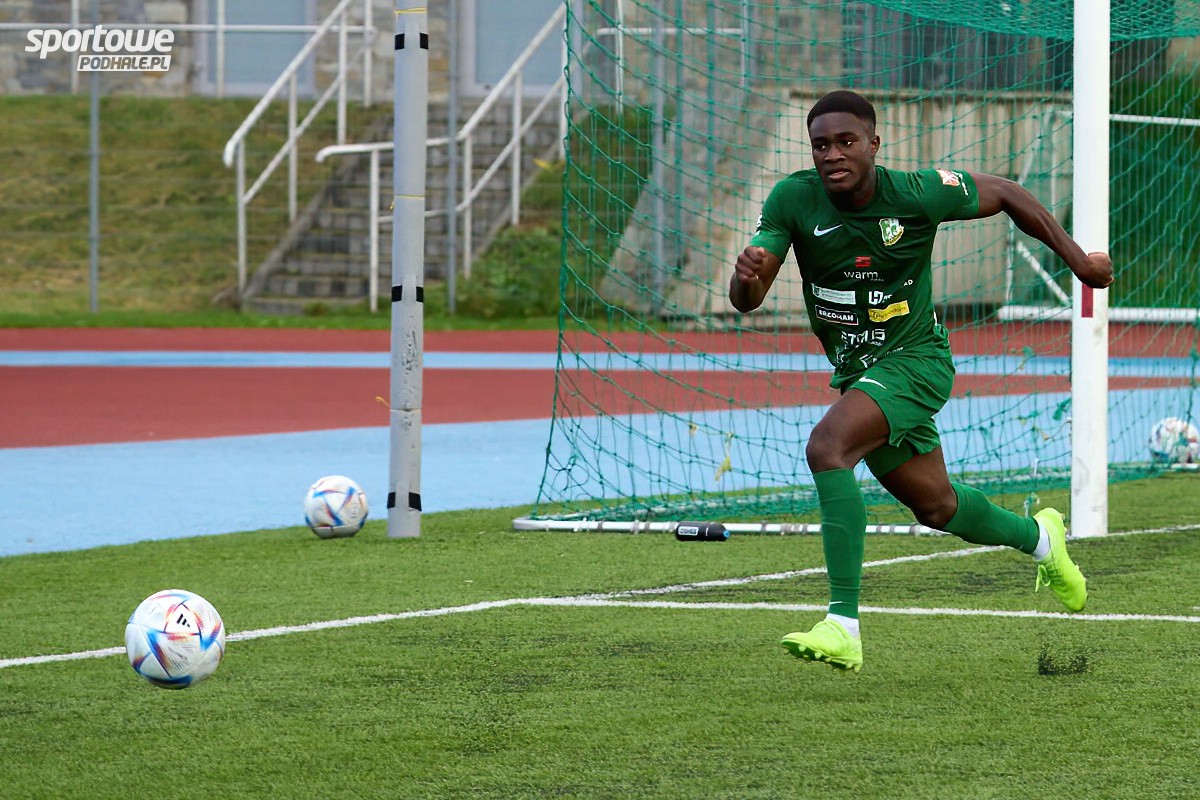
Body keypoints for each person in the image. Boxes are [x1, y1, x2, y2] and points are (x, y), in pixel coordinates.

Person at [729, 90, 1114, 673]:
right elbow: (747, 300)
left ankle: (842, 624)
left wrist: (1080, 262)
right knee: (937, 506)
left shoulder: (916, 193)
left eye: (846, 141)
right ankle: (1041, 539)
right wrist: (746, 276)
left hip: (917, 360)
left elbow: (1008, 193)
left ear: (874, 144)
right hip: (861, 373)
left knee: (828, 447)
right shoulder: (792, 199)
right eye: (820, 145)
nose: (832, 154)